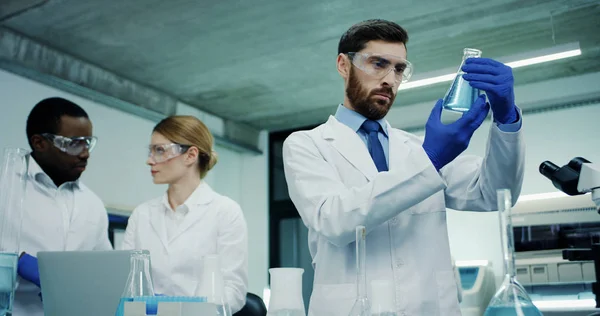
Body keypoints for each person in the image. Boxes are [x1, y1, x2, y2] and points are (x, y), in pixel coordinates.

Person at [282, 19, 525, 316]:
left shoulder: (415, 147)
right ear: (343, 65)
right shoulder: (307, 144)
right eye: (378, 64)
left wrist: (506, 120)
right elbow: (333, 221)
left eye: (398, 69)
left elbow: (496, 193)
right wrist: (430, 161)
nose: (389, 79)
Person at [121, 115, 248, 312]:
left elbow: (234, 290)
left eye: (160, 150)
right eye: (151, 151)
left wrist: (190, 311)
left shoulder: (225, 211)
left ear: (190, 155)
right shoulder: (142, 215)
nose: (149, 160)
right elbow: (124, 283)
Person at [13, 97, 113, 316]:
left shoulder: (92, 204)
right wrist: (16, 262)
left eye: (88, 143)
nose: (85, 153)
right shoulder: (6, 185)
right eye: (74, 143)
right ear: (39, 143)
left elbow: (104, 269)